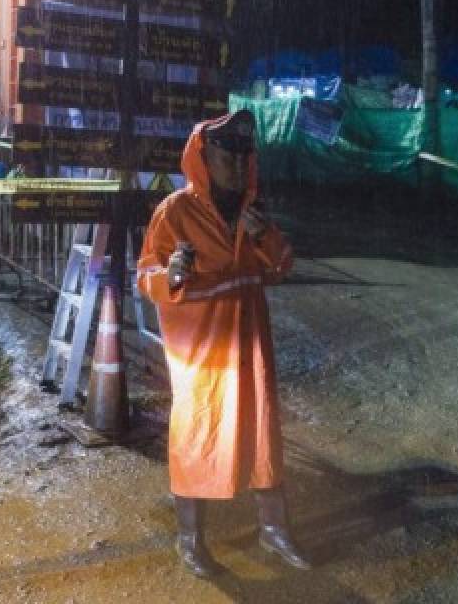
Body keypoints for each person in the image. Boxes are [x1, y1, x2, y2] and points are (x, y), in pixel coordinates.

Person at [137, 109, 311, 578]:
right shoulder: (174, 212)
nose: (236, 166)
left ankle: (273, 530)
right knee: (198, 430)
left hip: (251, 345)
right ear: (202, 157)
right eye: (225, 156)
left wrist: (266, 237)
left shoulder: (253, 213)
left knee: (261, 433)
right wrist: (171, 275)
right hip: (203, 350)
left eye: (243, 157)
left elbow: (280, 268)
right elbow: (146, 275)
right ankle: (190, 541)